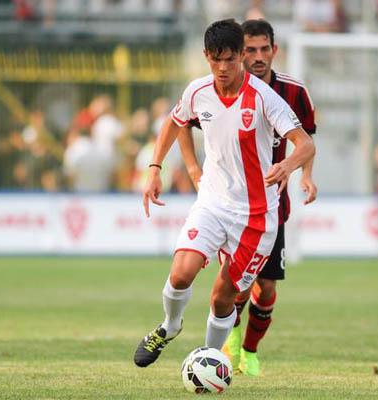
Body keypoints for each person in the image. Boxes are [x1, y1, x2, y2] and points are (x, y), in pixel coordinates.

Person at [132, 19, 315, 368]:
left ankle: (210, 359)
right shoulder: (198, 91)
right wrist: (155, 168)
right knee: (180, 273)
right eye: (215, 59)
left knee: (221, 299)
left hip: (257, 219)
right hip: (213, 204)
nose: (222, 67)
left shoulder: (264, 98)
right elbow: (174, 122)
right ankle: (169, 327)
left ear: (241, 58)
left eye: (229, 59)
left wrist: (288, 166)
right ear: (206, 56)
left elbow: (305, 143)